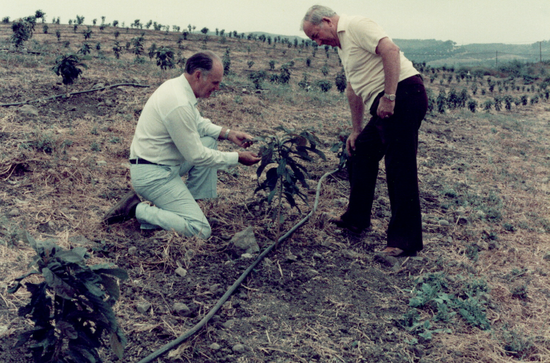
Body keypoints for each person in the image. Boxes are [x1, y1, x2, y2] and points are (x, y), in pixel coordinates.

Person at [302, 5, 428, 257]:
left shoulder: (356, 25)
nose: (317, 43)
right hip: (386, 102)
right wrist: (356, 129)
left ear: (327, 21)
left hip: (403, 94)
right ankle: (356, 219)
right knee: (361, 150)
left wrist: (390, 96)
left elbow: (391, 50)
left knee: (399, 165)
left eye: (315, 35)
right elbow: (353, 88)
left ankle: (404, 241)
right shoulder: (343, 47)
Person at [103, 51, 261, 238]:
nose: (217, 88)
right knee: (200, 230)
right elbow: (196, 156)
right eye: (215, 82)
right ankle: (135, 209)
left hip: (163, 164)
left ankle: (191, 203)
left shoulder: (178, 87)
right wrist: (237, 158)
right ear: (198, 75)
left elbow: (198, 123)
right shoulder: (178, 102)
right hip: (153, 176)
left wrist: (228, 134)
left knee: (209, 141)